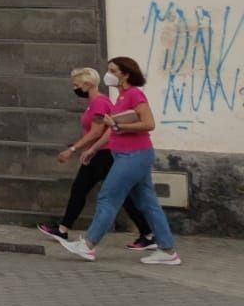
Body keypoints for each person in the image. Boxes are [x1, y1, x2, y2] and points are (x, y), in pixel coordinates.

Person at [49, 57, 182, 265]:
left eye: (113, 70)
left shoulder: (135, 94)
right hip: (127, 155)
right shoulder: (121, 96)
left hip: (133, 155)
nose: (108, 74)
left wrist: (120, 127)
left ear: (125, 74)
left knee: (108, 198)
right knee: (148, 203)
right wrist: (97, 145)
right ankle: (167, 250)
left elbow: (149, 123)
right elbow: (113, 129)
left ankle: (88, 244)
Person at [40, 67, 154, 247]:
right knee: (95, 191)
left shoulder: (100, 103)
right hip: (100, 153)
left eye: (77, 85)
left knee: (102, 193)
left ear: (87, 84)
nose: (75, 89)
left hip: (104, 154)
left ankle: (69, 232)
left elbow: (96, 131)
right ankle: (147, 233)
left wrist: (74, 149)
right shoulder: (95, 103)